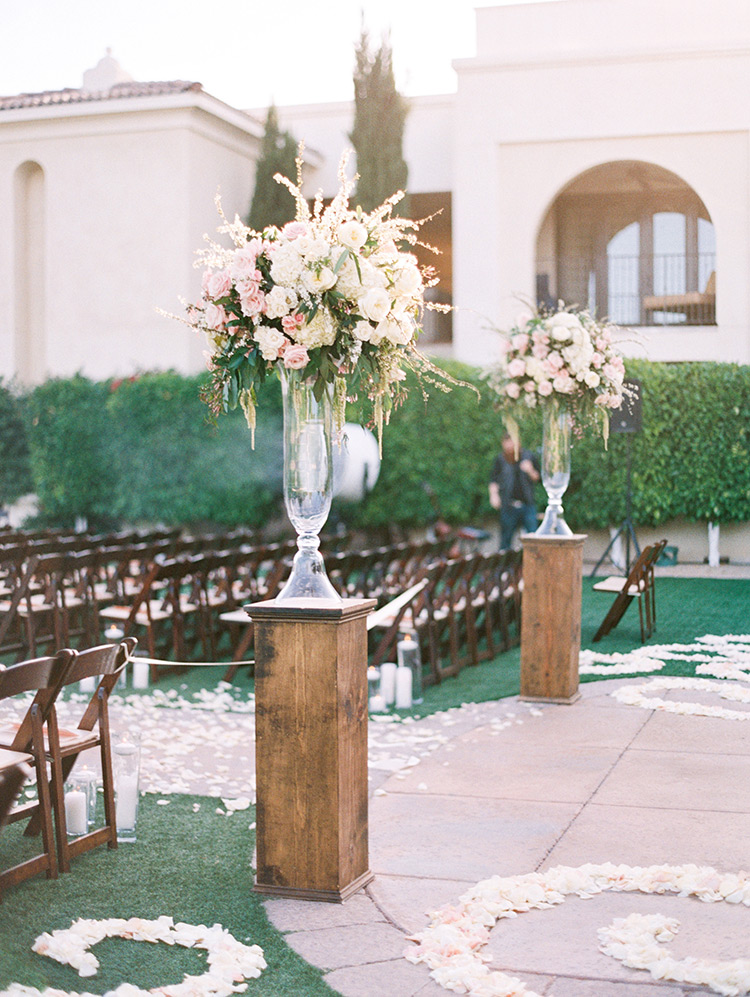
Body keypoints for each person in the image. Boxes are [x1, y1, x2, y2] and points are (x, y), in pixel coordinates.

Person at [489, 433, 540, 549]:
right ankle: (505, 561)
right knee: (505, 541)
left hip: (527, 505)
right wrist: (494, 495)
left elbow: (538, 478)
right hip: (508, 505)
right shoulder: (500, 459)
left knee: (534, 541)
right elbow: (494, 480)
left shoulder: (529, 456)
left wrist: (530, 470)